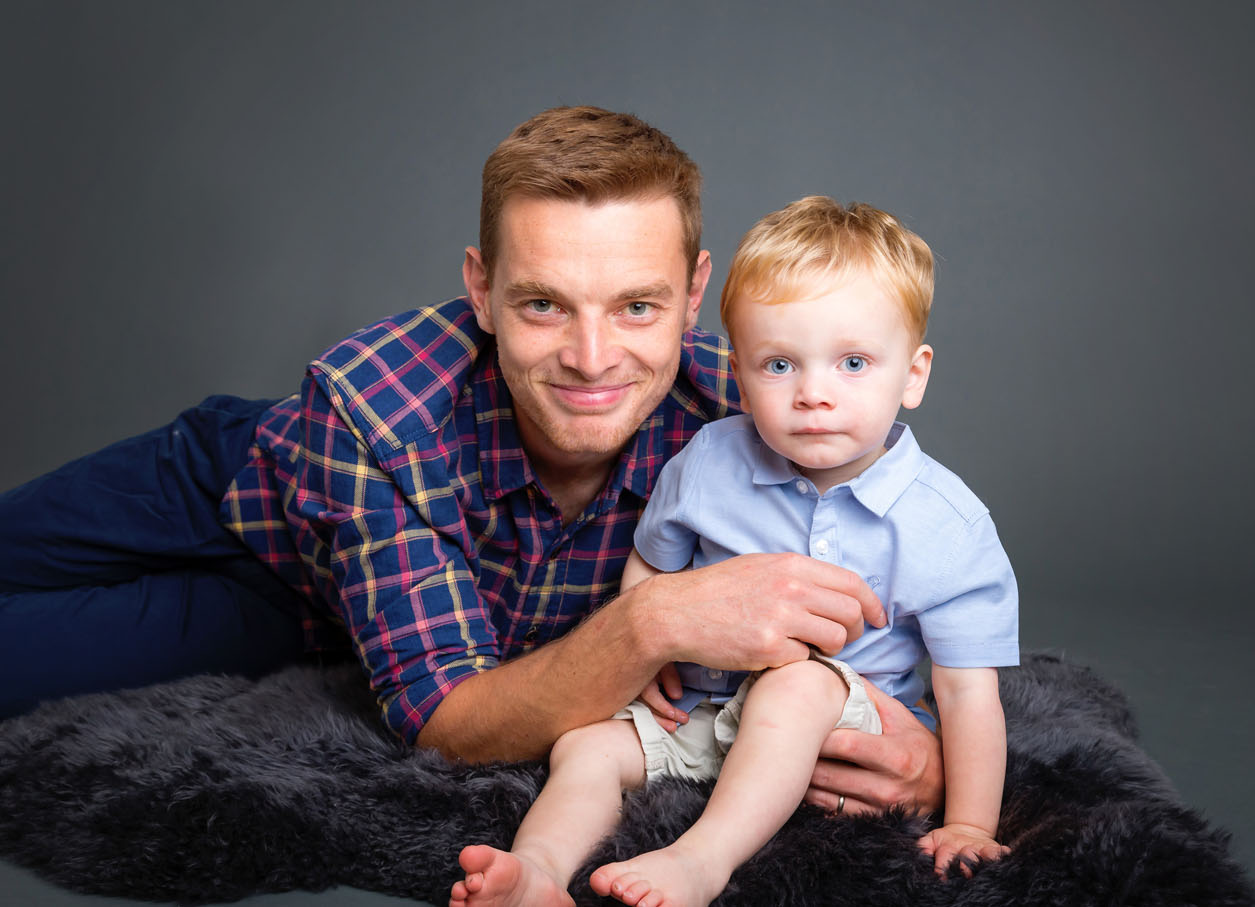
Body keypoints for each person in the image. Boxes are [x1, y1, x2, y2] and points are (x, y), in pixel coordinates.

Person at [0, 107, 942, 815]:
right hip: (232, 496)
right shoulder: (374, 407)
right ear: (481, 289)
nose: (592, 356)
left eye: (636, 307)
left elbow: (911, 588)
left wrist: (931, 762)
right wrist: (651, 618)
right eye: (543, 305)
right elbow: (449, 722)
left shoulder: (757, 405)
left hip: (296, 612)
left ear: (696, 292)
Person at [448, 196, 1019, 907]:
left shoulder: (947, 524)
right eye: (779, 364)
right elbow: (652, 566)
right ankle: (533, 870)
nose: (814, 393)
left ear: (913, 374)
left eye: (852, 362)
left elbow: (969, 690)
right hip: (708, 713)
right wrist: (643, 647)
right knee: (586, 746)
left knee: (799, 681)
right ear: (739, 374)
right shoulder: (707, 462)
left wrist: (968, 820)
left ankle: (699, 860)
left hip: (838, 730)